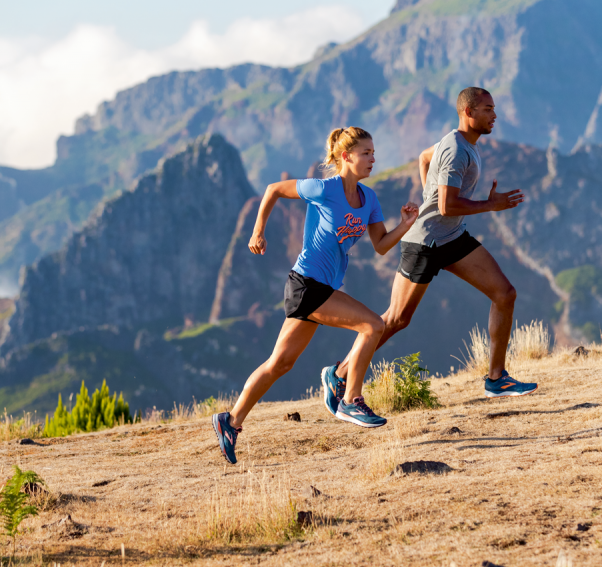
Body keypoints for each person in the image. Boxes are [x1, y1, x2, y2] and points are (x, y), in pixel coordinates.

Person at [212, 126, 420, 464]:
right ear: (345, 156)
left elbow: (381, 246)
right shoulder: (323, 189)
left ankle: (230, 421)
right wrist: (258, 231)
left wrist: (405, 225)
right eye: (365, 153)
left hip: (323, 288)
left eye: (373, 152)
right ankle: (350, 397)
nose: (372, 158)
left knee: (280, 363)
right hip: (305, 284)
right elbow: (273, 190)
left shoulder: (369, 199)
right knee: (373, 326)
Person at [321, 87, 535, 412]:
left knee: (505, 293)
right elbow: (448, 205)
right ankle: (339, 374)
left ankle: (496, 378)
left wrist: (427, 200)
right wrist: (488, 205)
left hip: (451, 237)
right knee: (395, 320)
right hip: (425, 244)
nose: (495, 115)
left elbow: (423, 159)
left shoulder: (462, 144)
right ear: (468, 112)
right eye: (488, 109)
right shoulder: (455, 149)